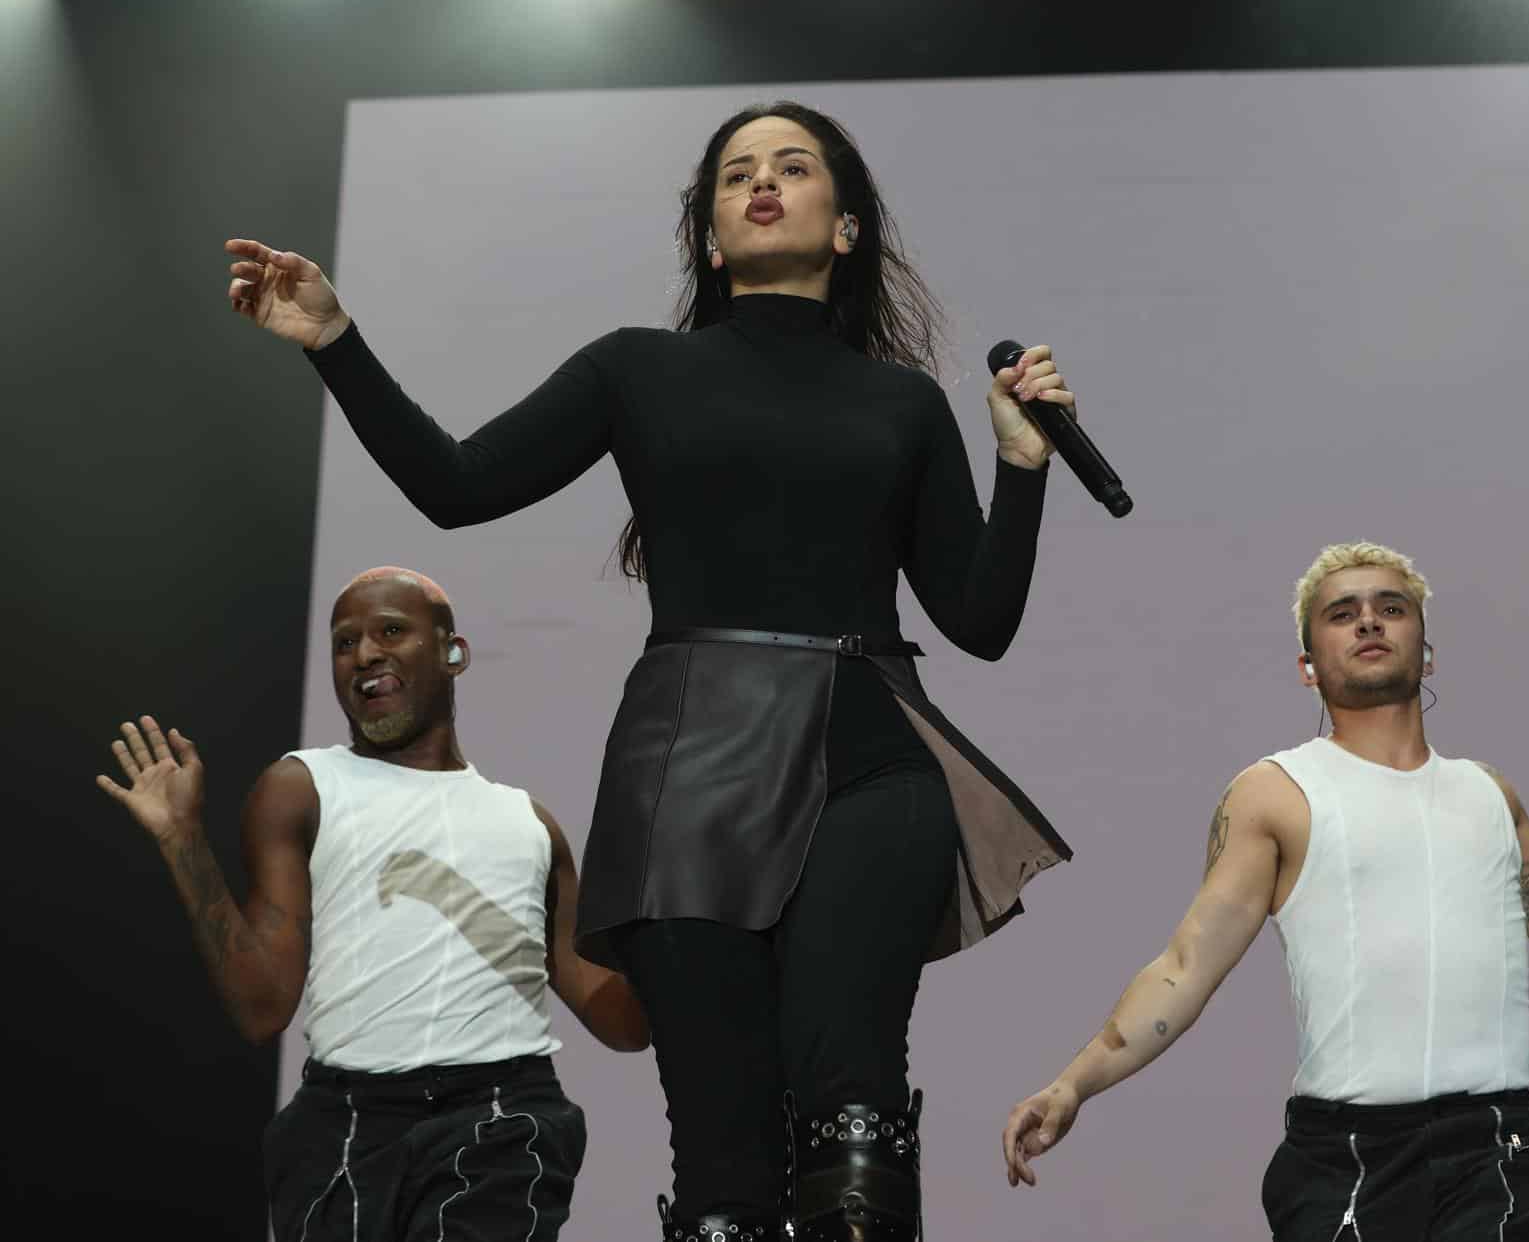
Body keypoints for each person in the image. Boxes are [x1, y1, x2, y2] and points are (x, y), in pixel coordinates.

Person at [223, 100, 1075, 1241]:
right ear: (712, 240)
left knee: (852, 1098)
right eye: (735, 175)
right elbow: (457, 483)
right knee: (724, 1141)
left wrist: (1023, 470)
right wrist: (335, 339)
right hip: (691, 764)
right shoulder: (638, 371)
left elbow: (978, 620)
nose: (762, 182)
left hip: (872, 750)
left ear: (846, 227)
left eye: (792, 167)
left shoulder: (906, 402)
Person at [999, 541, 1529, 1241]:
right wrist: (1072, 1085)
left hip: (1498, 1149)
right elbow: (1182, 967)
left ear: (1426, 651)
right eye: (1343, 614)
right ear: (1308, 663)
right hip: (1346, 1162)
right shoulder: (1276, 793)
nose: (1370, 621)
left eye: (1391, 608)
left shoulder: (1487, 795)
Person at [96, 566, 651, 1241]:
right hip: (343, 1126)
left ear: (453, 653)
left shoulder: (530, 824)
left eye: (390, 630)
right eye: (344, 642)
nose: (364, 653)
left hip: (502, 1118)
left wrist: (673, 898)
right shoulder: (300, 786)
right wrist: (184, 841)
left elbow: (624, 1023)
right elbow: (262, 1006)